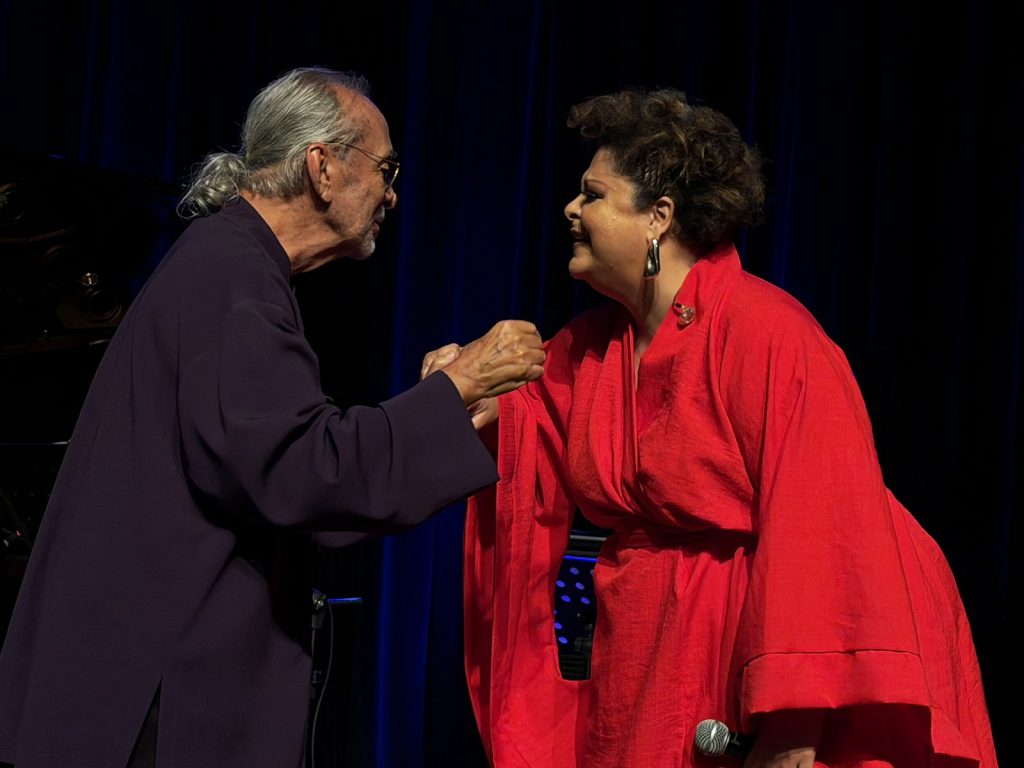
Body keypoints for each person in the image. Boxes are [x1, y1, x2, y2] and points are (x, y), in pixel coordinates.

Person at [435, 89, 998, 767]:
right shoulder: (589, 346)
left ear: (659, 217)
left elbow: (823, 532)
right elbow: (524, 437)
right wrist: (461, 392)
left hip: (753, 649)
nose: (571, 209)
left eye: (593, 195)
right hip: (645, 644)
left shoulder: (770, 333)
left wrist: (793, 727)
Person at [0, 67, 545, 768]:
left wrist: (447, 408)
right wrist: (458, 385)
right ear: (322, 167)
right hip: (160, 692)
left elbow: (287, 459)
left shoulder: (231, 263)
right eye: (385, 169)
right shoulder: (231, 277)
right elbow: (301, 473)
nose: (393, 193)